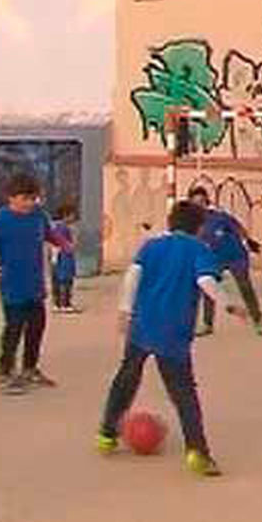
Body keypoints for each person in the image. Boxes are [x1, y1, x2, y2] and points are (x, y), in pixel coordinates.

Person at [97, 200, 247, 477]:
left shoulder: (151, 246)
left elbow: (132, 276)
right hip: (173, 333)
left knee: (126, 378)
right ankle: (197, 453)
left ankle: (106, 434)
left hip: (141, 326)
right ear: (199, 227)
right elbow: (206, 282)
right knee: (184, 393)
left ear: (170, 221)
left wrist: (125, 310)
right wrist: (229, 305)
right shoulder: (199, 250)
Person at [0, 175, 72, 394]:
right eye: (25, 198)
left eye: (33, 198)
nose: (30, 203)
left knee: (36, 328)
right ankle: (4, 372)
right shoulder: (0, 220)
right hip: (12, 285)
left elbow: (49, 234)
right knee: (14, 329)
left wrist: (63, 244)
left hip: (35, 284)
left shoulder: (39, 215)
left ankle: (29, 368)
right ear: (11, 198)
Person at [188, 186, 262, 337]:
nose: (199, 206)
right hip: (214, 259)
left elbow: (238, 227)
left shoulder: (219, 217)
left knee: (245, 287)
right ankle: (207, 324)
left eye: (202, 202)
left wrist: (248, 241)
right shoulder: (192, 224)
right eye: (196, 203)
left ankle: (258, 320)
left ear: (206, 202)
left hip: (235, 256)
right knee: (208, 287)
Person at [50, 205, 80, 314]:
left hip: (56, 256)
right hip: (64, 257)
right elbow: (66, 244)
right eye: (72, 215)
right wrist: (70, 246)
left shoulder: (54, 226)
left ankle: (57, 303)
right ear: (66, 215)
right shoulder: (64, 228)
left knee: (57, 280)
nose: (74, 217)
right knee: (66, 280)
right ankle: (65, 303)